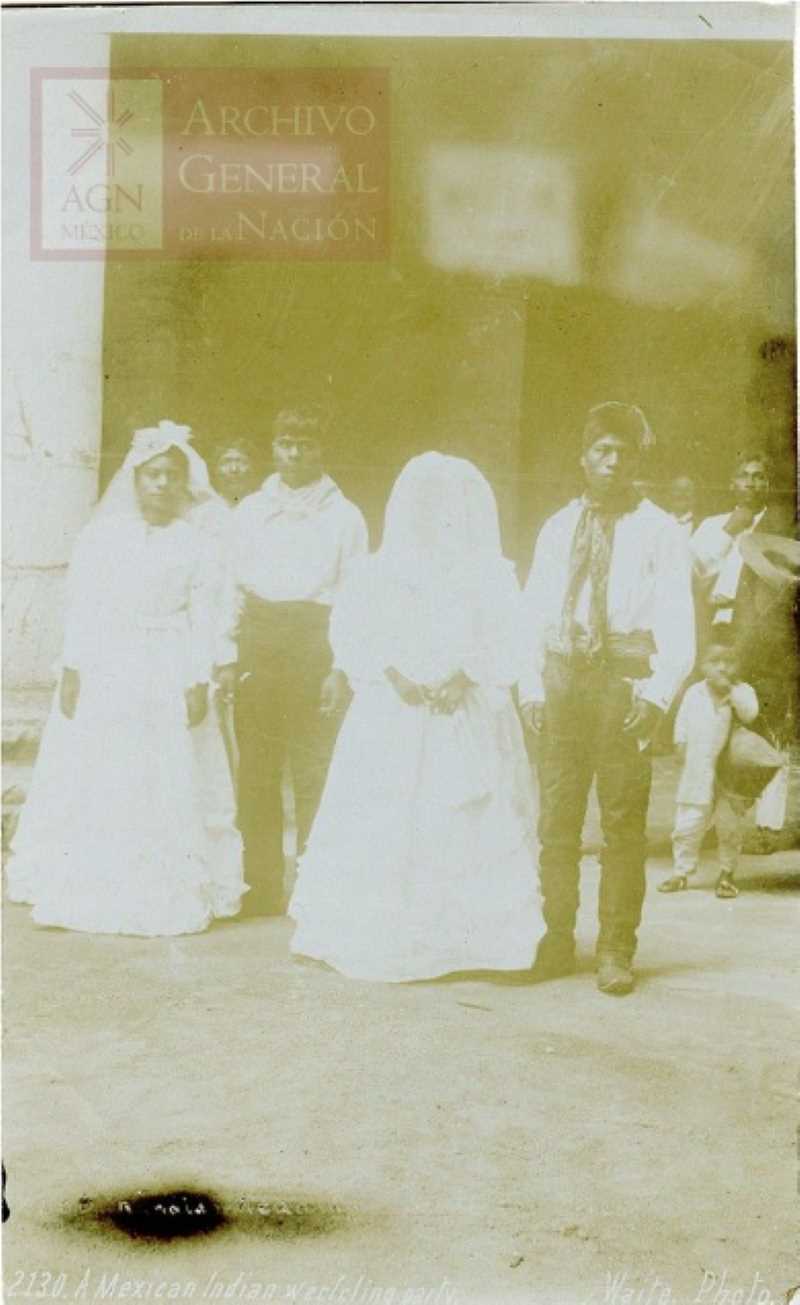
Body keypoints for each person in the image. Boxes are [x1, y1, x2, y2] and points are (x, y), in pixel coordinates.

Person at [289, 453, 543, 982]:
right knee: (385, 815)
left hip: (461, 707)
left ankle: (474, 943)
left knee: (465, 818)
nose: (440, 517)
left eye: (452, 507)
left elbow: (511, 635)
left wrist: (467, 675)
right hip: (394, 708)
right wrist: (392, 674)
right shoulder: (378, 570)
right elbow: (353, 630)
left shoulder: (487, 573)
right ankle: (377, 933)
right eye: (430, 506)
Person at [6, 421, 247, 936]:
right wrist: (71, 669)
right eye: (152, 474)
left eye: (170, 476)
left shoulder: (197, 543)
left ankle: (166, 883)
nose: (161, 484)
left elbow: (208, 612)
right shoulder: (101, 537)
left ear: (185, 483)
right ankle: (93, 879)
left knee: (166, 769)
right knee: (105, 768)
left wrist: (199, 676)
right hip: (110, 663)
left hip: (168, 661)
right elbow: (83, 608)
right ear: (135, 480)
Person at [519, 402, 695, 995]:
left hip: (623, 682)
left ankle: (617, 949)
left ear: (636, 461)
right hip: (564, 681)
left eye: (623, 452)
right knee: (557, 821)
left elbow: (678, 621)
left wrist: (658, 692)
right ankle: (556, 939)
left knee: (622, 824)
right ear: (583, 459)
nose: (613, 462)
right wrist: (530, 684)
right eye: (602, 451)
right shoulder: (557, 527)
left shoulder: (660, 532)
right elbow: (534, 610)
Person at [217, 407, 368, 916]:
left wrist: (340, 667)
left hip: (314, 641)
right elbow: (230, 587)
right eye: (286, 442)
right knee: (256, 768)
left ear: (321, 449)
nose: (295, 453)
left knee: (313, 767)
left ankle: (314, 885)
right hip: (259, 640)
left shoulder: (344, 516)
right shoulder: (251, 512)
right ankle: (259, 884)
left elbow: (354, 595)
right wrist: (228, 655)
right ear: (274, 447)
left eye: (305, 443)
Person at [691, 453, 796, 840]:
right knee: (715, 726)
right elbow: (693, 573)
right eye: (744, 476)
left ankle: (767, 827)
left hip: (767, 638)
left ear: (768, 485)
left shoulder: (783, 529)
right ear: (732, 483)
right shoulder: (711, 526)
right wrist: (729, 532)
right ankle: (711, 822)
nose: (752, 483)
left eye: (760, 477)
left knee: (769, 728)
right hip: (721, 634)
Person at [658, 641, 758, 900]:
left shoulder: (743, 690)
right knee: (688, 824)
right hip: (699, 767)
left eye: (729, 662)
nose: (722, 668)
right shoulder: (695, 693)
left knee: (729, 826)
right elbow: (681, 720)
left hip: (731, 771)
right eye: (715, 662)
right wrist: (680, 742)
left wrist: (732, 692)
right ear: (703, 666)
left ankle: (726, 874)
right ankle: (681, 871)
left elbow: (750, 714)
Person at [208, 438, 261, 509]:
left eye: (241, 461)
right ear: (215, 469)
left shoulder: (264, 507)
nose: (234, 469)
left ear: (252, 468)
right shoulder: (203, 512)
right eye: (226, 462)